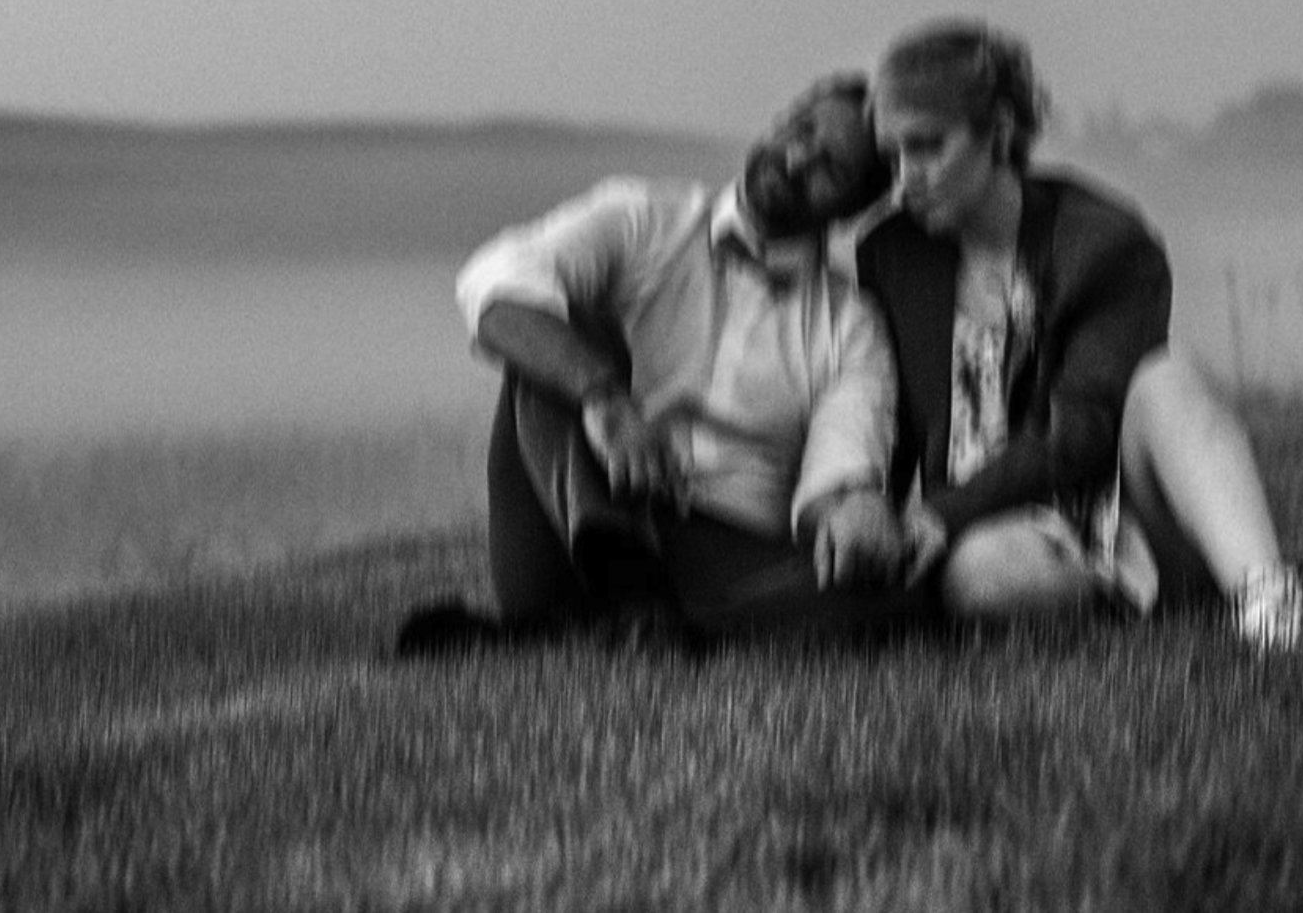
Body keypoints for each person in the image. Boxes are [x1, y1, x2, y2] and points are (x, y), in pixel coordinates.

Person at [397, 75, 930, 654]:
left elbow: (842, 455)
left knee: (903, 601)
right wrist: (606, 401)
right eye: (801, 131)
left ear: (854, 208)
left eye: (830, 168)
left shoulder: (851, 323)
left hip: (722, 552)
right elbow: (494, 285)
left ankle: (592, 632)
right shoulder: (643, 216)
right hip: (585, 519)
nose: (797, 160)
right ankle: (635, 603)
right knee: (552, 336)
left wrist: (852, 508)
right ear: (779, 120)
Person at [855, 18, 1303, 652]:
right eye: (892, 156)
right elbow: (879, 406)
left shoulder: (1100, 240)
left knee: (1166, 380)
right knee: (980, 578)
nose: (907, 176)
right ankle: (1133, 606)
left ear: (999, 131)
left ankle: (1269, 604)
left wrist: (940, 515)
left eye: (928, 147)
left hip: (1107, 507)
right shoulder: (890, 252)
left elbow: (1083, 431)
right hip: (985, 537)